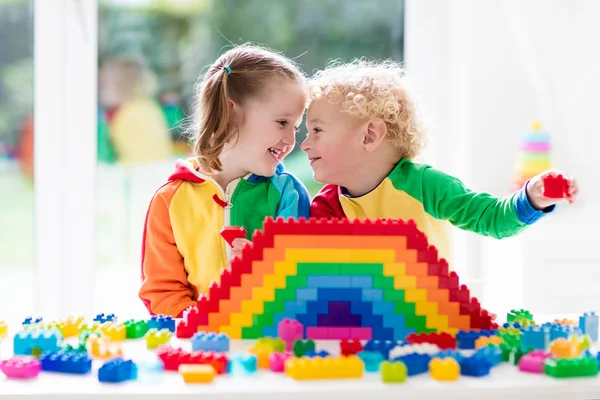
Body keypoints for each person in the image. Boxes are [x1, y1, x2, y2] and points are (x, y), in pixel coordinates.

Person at [302, 59, 578, 263]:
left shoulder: (425, 186)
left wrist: (531, 197)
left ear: (370, 135)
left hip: (435, 323)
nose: (305, 144)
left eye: (317, 130)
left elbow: (492, 218)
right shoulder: (326, 207)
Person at [139, 44, 309, 317]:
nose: (291, 141)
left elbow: (302, 287)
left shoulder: (288, 195)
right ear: (232, 113)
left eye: (296, 127)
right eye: (282, 122)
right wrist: (202, 324)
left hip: (266, 345)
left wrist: (261, 274)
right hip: (198, 347)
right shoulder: (169, 201)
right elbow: (162, 292)